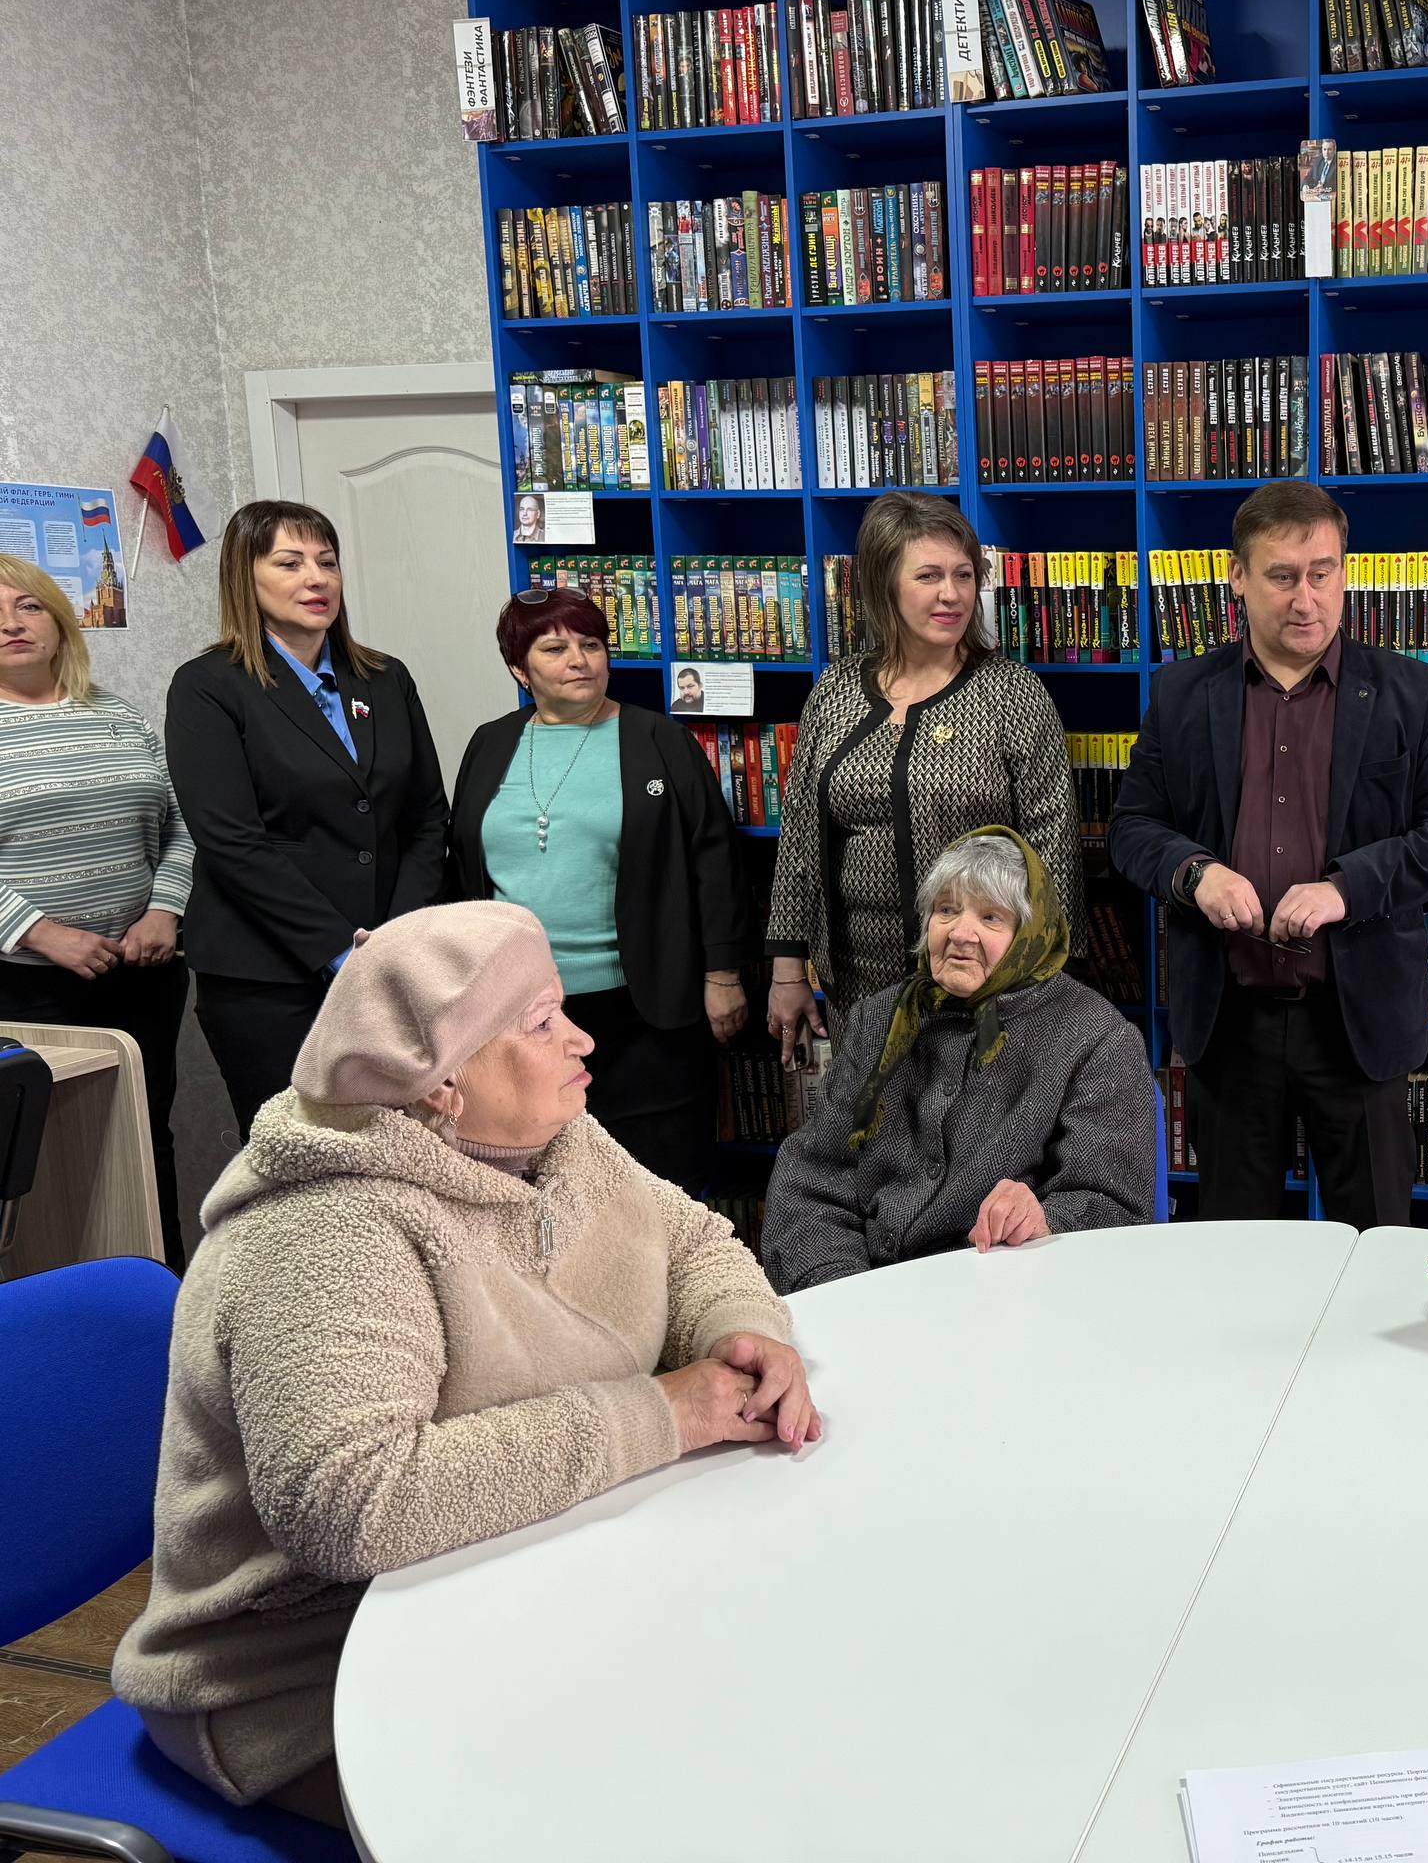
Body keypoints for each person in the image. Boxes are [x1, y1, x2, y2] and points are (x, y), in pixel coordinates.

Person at [111, 902, 816, 1828]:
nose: (582, 1040)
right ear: (442, 1080)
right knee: (653, 1802)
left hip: (513, 1589)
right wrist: (667, 1414)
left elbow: (690, 1242)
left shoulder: (556, 1137)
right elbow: (349, 1505)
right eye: (542, 1023)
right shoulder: (323, 1230)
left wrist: (741, 1327)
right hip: (303, 1674)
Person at [1106, 479, 1428, 1229]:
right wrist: (1195, 875)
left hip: (1356, 1020)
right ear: (1237, 578)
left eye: (1321, 573)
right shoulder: (1181, 694)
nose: (1304, 599)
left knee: (1373, 1244)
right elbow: (1132, 827)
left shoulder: (1414, 692)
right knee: (1234, 1250)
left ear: (1344, 572)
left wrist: (1345, 888)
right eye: (1281, 576)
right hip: (1230, 1021)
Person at [448, 582, 751, 1188]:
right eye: (555, 649)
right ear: (519, 668)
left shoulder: (658, 740)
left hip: (644, 1009)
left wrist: (723, 975)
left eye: (591, 645)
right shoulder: (490, 743)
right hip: (521, 1012)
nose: (579, 661)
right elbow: (462, 867)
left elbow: (715, 859)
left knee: (658, 1182)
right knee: (540, 1182)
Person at [760, 827, 1153, 1293]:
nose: (961, 933)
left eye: (991, 917)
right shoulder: (878, 1019)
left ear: (1030, 935)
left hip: (1008, 1295)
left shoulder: (1096, 1036)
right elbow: (810, 1181)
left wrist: (1043, 1219)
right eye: (946, 910)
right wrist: (843, 1291)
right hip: (867, 1289)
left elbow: (1113, 1203)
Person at [164, 501, 450, 1134]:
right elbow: (231, 842)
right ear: (245, 577)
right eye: (290, 564)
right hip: (268, 977)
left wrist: (391, 940)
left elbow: (427, 819)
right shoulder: (208, 687)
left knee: (400, 1150)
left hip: (388, 964)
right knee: (299, 1158)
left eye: (327, 562)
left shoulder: (385, 678)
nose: (316, 579)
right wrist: (341, 951)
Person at [765, 492, 1080, 1056]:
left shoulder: (1012, 693)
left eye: (964, 575)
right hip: (856, 987)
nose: (951, 594)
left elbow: (1053, 851)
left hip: (981, 988)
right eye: (929, 575)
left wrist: (1038, 985)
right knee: (870, 1111)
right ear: (884, 584)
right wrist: (788, 972)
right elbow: (800, 842)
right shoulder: (835, 690)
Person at [0, 554, 193, 1261]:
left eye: (28, 606)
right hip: (26, 988)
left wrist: (164, 910)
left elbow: (182, 824)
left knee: (144, 1141)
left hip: (142, 974)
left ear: (59, 622)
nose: (11, 623)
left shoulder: (116, 713)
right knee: (39, 1162)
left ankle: (160, 1293)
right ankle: (61, 1310)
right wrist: (40, 931)